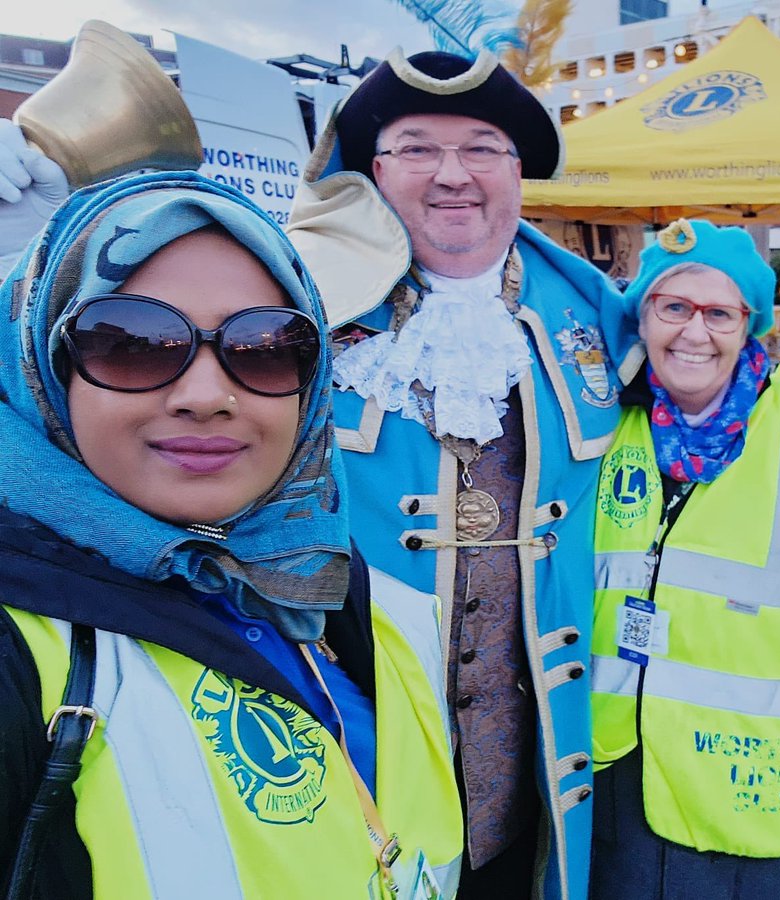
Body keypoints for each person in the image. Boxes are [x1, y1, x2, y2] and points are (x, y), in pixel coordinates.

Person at [0, 171, 462, 898]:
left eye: (265, 348)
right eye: (130, 343)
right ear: (44, 367)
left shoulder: (327, 584)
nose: (207, 396)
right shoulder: (18, 643)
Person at [285, 49, 638, 899]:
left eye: (482, 147)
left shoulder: (594, 310)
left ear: (518, 172)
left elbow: (717, 382)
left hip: (534, 772)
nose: (453, 175)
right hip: (354, 751)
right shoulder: (294, 296)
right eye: (416, 148)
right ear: (373, 170)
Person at [587, 218, 780, 900]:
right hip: (618, 777)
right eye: (673, 308)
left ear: (749, 324)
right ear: (643, 316)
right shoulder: (598, 421)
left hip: (749, 778)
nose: (695, 333)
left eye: (719, 313)